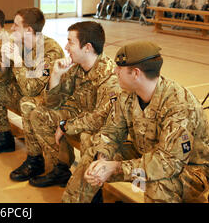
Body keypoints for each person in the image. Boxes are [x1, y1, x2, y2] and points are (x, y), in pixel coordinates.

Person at [62, 41, 209, 203]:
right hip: (146, 155)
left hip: (189, 170)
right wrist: (102, 160)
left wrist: (116, 167)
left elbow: (168, 164)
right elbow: (111, 132)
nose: (115, 71)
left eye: (120, 68)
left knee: (158, 184)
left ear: (136, 73)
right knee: (92, 156)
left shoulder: (179, 105)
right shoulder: (126, 94)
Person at [10, 21, 120, 189]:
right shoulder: (76, 68)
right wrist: (55, 75)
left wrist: (66, 126)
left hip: (101, 126)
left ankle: (90, 189)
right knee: (39, 114)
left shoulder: (109, 76)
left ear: (87, 47)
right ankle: (60, 169)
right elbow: (51, 103)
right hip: (78, 116)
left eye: (71, 42)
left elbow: (102, 118)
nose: (66, 47)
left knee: (87, 138)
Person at [0, 7, 64, 156]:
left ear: (29, 29)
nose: (12, 28)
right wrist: (4, 61)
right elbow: (0, 80)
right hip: (24, 91)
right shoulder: (19, 43)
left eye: (16, 25)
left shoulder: (50, 51)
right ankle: (4, 137)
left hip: (46, 100)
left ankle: (34, 158)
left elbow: (32, 90)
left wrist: (17, 60)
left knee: (26, 102)